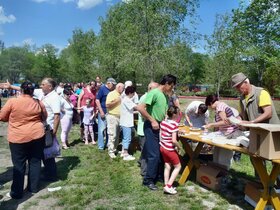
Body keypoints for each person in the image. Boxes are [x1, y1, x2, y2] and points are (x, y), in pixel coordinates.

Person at [0, 82, 47, 199]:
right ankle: (33, 188)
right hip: (37, 135)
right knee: (35, 162)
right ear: (32, 91)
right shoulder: (38, 102)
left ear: (21, 90)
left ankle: (16, 192)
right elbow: (44, 116)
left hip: (18, 137)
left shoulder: (12, 101)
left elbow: (2, 117)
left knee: (19, 165)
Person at [137, 74, 177, 191]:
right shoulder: (154, 93)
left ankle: (157, 176)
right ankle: (148, 180)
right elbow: (140, 108)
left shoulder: (165, 96)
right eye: (172, 86)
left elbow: (163, 113)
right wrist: (153, 120)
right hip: (151, 126)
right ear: (167, 84)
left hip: (160, 126)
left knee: (160, 153)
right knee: (153, 155)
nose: (172, 89)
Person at [204, 94, 242, 170]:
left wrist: (211, 124)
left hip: (229, 134)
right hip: (226, 133)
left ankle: (222, 174)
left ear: (211, 103)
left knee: (223, 157)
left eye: (209, 106)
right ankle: (216, 171)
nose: (211, 108)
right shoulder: (222, 105)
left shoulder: (219, 107)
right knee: (217, 154)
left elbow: (225, 122)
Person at [137, 82, 159, 176]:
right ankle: (144, 171)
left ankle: (140, 162)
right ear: (150, 88)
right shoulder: (146, 98)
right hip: (144, 129)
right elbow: (142, 112)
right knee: (146, 152)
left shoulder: (149, 97)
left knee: (145, 150)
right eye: (156, 89)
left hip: (145, 128)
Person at [160, 105, 181, 195]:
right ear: (175, 115)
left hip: (162, 147)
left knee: (167, 166)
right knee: (178, 167)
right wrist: (179, 146)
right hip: (169, 149)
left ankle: (166, 184)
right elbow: (174, 140)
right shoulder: (174, 125)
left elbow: (162, 134)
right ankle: (168, 186)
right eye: (178, 113)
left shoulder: (163, 122)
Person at [96, 78, 117, 150]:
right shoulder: (102, 89)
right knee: (101, 130)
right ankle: (101, 146)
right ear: (109, 83)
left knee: (109, 129)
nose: (114, 86)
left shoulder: (113, 91)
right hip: (103, 112)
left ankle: (108, 144)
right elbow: (97, 100)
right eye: (113, 85)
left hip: (110, 113)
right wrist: (101, 111)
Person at [106, 83, 124, 158]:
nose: (123, 90)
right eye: (123, 88)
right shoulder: (111, 94)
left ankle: (114, 148)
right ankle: (110, 151)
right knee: (112, 134)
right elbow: (107, 105)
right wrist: (118, 100)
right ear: (119, 87)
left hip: (120, 117)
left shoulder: (122, 95)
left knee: (117, 135)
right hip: (112, 116)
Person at [120, 86, 138, 161]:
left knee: (125, 138)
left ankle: (123, 152)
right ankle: (126, 154)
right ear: (130, 93)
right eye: (133, 93)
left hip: (125, 121)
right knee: (127, 138)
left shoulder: (126, 99)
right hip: (126, 122)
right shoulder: (127, 100)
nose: (134, 95)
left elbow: (132, 111)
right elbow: (136, 107)